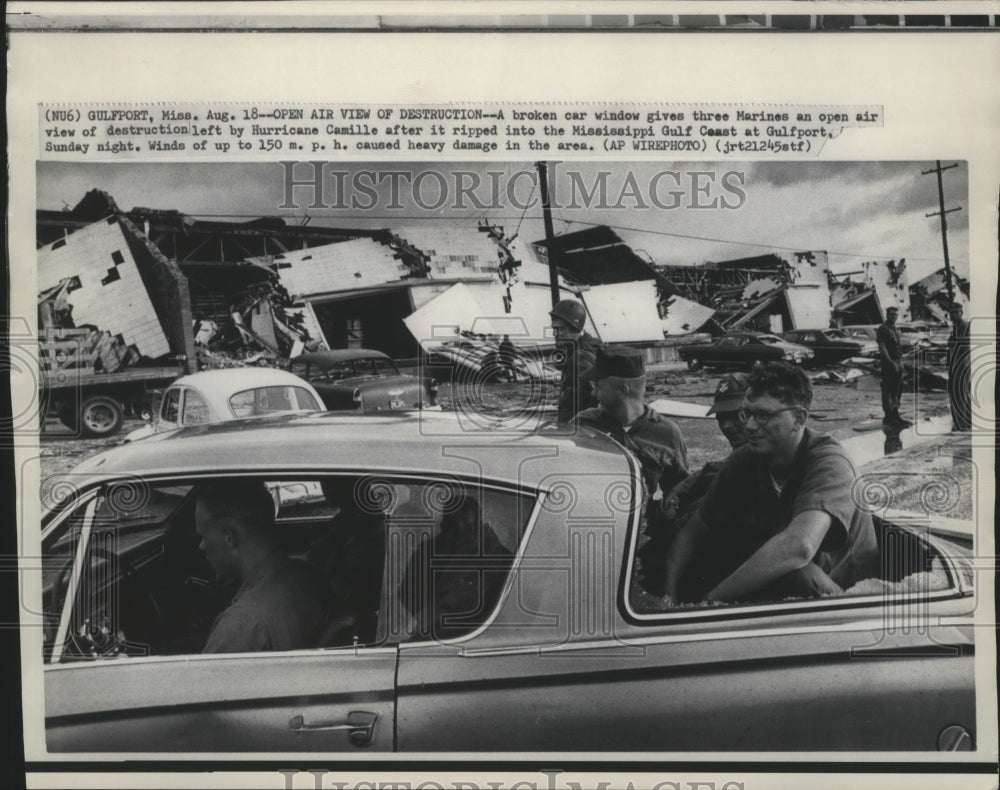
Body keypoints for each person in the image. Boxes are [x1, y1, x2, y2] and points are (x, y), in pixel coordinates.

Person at [663, 362, 880, 605]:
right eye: (746, 413)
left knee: (796, 572)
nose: (749, 425)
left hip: (849, 602)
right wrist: (668, 597)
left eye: (763, 416)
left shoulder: (830, 463)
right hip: (793, 591)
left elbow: (799, 546)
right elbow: (694, 531)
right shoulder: (746, 458)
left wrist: (711, 602)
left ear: (798, 419)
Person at [575, 346, 689, 573]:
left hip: (646, 548)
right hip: (594, 543)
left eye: (598, 384)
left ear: (624, 390)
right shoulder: (583, 425)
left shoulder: (667, 434)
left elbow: (681, 492)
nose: (593, 392)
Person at [639, 373, 750, 594]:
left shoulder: (766, 454)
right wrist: (678, 491)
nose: (727, 425)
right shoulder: (738, 457)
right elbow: (715, 467)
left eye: (736, 416)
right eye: (721, 417)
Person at [196, 480, 329, 653]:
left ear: (229, 537)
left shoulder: (242, 625)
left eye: (204, 536)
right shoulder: (306, 575)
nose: (201, 546)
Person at [400, 493, 512, 640]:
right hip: (430, 637)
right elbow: (408, 594)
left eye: (468, 527)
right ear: (444, 526)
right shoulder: (427, 553)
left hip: (475, 640)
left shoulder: (499, 558)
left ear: (479, 525)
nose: (461, 531)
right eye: (454, 526)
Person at [549, 298, 601, 422]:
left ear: (575, 328)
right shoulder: (588, 349)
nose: (554, 334)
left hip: (580, 431)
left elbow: (589, 400)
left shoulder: (580, 359)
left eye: (561, 329)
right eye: (554, 329)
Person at [876, 307, 911, 428]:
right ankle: (888, 416)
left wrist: (900, 362)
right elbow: (882, 347)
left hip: (898, 361)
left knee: (898, 389)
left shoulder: (895, 328)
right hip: (889, 363)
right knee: (888, 389)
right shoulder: (883, 328)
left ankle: (895, 414)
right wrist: (890, 362)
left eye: (896, 315)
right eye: (891, 315)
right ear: (887, 315)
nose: (894, 317)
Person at [946, 302, 972, 432]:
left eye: (955, 313)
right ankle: (965, 423)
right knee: (960, 393)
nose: (952, 315)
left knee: (959, 393)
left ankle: (961, 424)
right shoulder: (957, 327)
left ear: (961, 312)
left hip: (961, 363)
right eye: (950, 313)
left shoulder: (964, 326)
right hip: (957, 363)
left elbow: (964, 345)